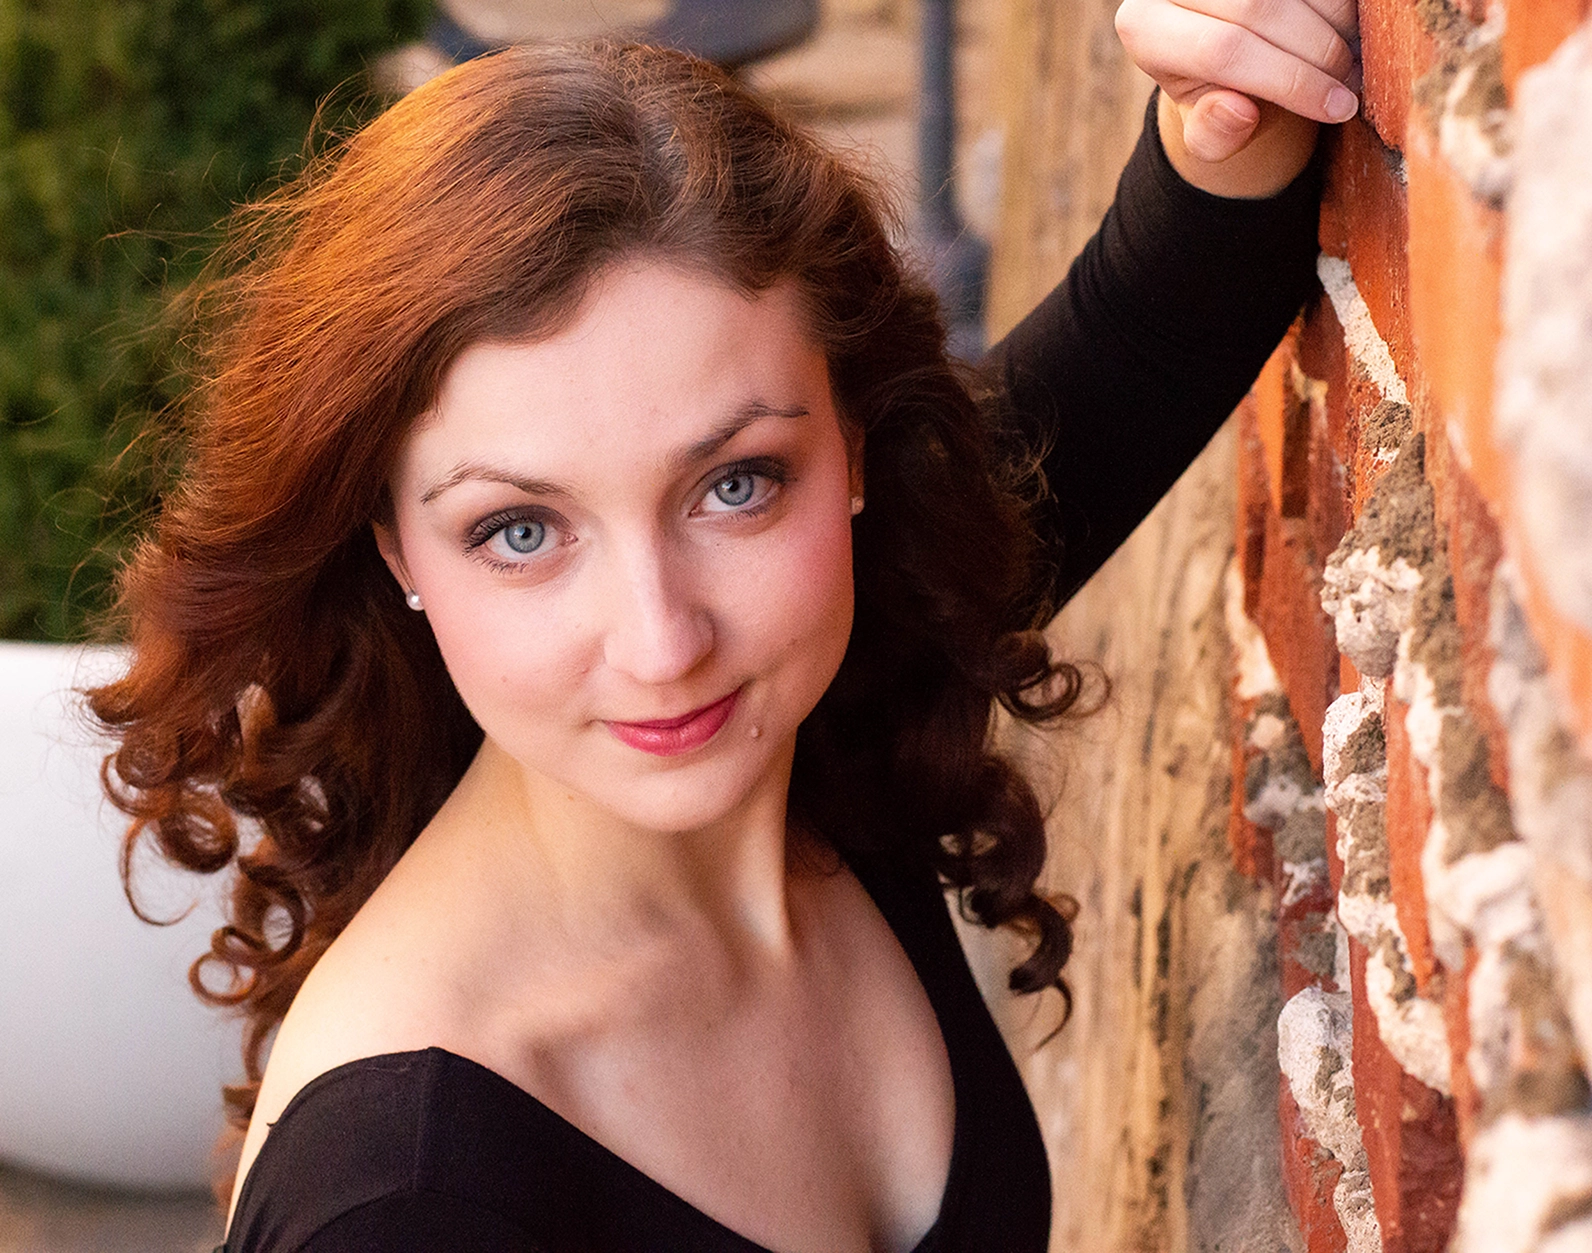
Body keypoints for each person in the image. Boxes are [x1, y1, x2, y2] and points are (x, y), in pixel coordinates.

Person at [90, 1, 1357, 1248]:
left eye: (735, 483)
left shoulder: (845, 689)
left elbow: (1155, 322)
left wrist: (1228, 89)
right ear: (392, 548)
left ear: (856, 448)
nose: (662, 642)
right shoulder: (406, 1199)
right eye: (520, 530)